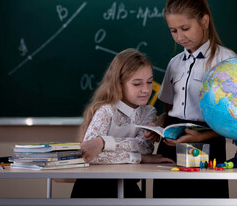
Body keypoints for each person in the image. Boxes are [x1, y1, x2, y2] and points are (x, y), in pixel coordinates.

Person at [144, 0, 237, 198]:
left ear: (204, 21)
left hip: (207, 143)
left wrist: (201, 135)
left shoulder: (226, 60)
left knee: (203, 200)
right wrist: (158, 125)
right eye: (173, 30)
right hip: (171, 145)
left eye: (185, 28)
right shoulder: (174, 64)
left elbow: (233, 120)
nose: (179, 36)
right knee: (167, 201)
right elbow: (168, 110)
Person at [71, 48, 174, 198]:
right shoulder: (106, 111)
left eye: (150, 82)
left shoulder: (148, 112)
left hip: (126, 186)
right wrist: (140, 159)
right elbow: (90, 156)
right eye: (137, 84)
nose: (146, 89)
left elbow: (144, 146)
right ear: (119, 84)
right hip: (92, 188)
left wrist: (103, 143)